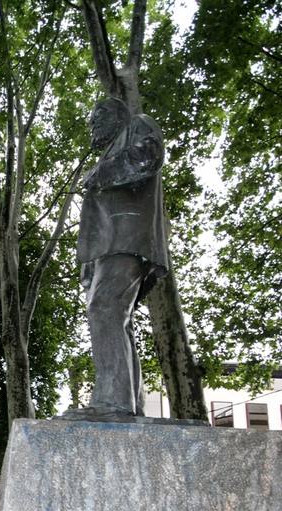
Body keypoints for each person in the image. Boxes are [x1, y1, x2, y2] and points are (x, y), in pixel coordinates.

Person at [76, 96, 168, 417]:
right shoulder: (115, 142)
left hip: (127, 240)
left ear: (116, 114)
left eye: (97, 117)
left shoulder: (137, 125)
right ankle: (130, 401)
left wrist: (98, 174)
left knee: (104, 308)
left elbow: (149, 156)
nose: (92, 124)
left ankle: (113, 401)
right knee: (118, 317)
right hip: (110, 246)